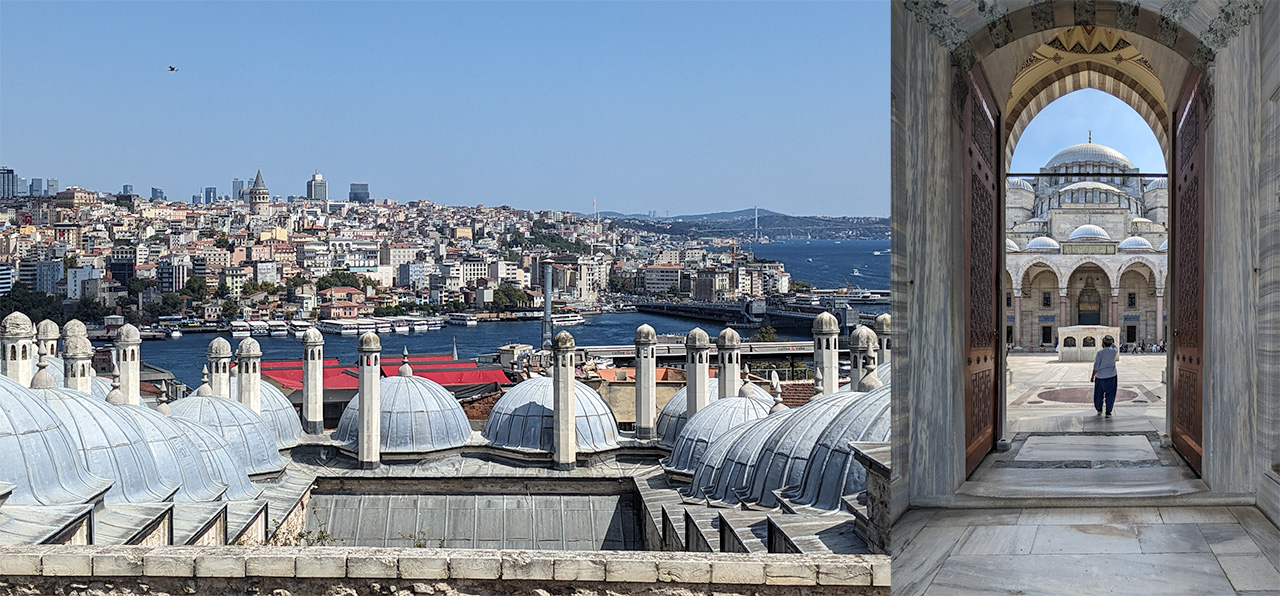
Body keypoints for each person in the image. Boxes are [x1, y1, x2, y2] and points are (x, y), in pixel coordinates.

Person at [1091, 335, 1120, 417]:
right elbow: (1114, 346)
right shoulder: (1114, 351)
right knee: (1110, 394)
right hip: (1112, 375)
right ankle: (1108, 411)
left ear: (1103, 343)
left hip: (1100, 376)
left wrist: (1092, 376)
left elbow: (1096, 366)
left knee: (1098, 394)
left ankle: (1099, 409)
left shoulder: (1100, 353)